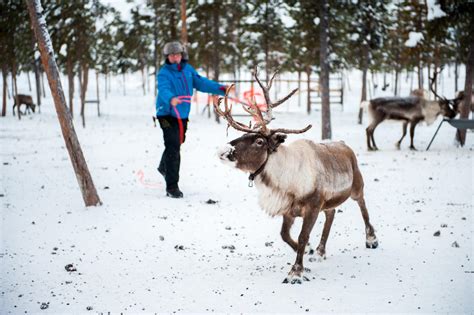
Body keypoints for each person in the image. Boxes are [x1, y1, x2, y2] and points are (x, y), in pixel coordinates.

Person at [155, 41, 228, 198]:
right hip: (166, 114)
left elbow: (201, 83)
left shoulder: (188, 70)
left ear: (182, 55)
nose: (175, 58)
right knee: (173, 146)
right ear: (167, 57)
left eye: (177, 54)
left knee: (178, 141)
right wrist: (171, 98)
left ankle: (163, 167)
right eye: (172, 55)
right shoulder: (164, 73)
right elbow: (163, 89)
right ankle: (172, 186)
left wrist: (221, 88)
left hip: (182, 114)